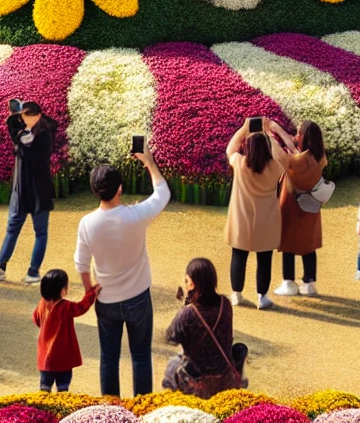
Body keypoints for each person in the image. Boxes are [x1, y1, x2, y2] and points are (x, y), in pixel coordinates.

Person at [74, 143, 171, 397]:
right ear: (120, 189)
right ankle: (142, 407)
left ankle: (111, 410)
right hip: (138, 297)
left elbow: (81, 264)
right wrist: (149, 161)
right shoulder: (136, 215)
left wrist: (88, 290)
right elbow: (162, 194)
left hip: (106, 298)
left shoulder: (87, 223)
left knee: (109, 359)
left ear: (96, 191)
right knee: (140, 357)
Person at [0, 100, 57, 284]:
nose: (24, 120)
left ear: (38, 115)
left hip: (34, 191)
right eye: (23, 116)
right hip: (27, 190)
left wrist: (17, 128)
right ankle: (1, 267)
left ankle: (33, 272)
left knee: (39, 232)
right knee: (13, 229)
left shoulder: (40, 136)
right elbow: (15, 126)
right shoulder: (34, 131)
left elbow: (24, 149)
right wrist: (17, 115)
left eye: (27, 116)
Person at [225, 118, 289, 308]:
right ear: (266, 147)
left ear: (248, 148)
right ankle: (262, 297)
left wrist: (245, 129)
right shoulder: (275, 167)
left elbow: (231, 148)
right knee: (264, 260)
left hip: (241, 220)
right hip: (267, 221)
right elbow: (284, 158)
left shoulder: (240, 164)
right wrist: (270, 135)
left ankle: (236, 294)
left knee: (239, 256)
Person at [163, 257, 245, 397]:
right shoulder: (225, 304)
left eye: (187, 281)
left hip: (198, 379)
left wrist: (185, 307)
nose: (186, 284)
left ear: (193, 284)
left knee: (173, 364)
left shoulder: (189, 312)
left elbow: (171, 336)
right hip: (225, 375)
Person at [271, 119, 328, 297]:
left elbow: (281, 155)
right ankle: (309, 283)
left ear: (304, 137)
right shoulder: (320, 158)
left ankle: (289, 282)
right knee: (308, 244)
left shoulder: (297, 159)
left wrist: (272, 133)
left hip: (291, 205)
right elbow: (297, 155)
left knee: (288, 243)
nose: (296, 136)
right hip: (310, 207)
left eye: (298, 133)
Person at [33, 268, 99, 393]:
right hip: (63, 356)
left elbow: (36, 319)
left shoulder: (42, 304)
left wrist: (47, 329)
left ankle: (42, 410)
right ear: (63, 290)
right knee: (63, 388)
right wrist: (92, 293)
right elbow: (81, 308)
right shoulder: (66, 306)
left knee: (44, 387)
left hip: (45, 357)